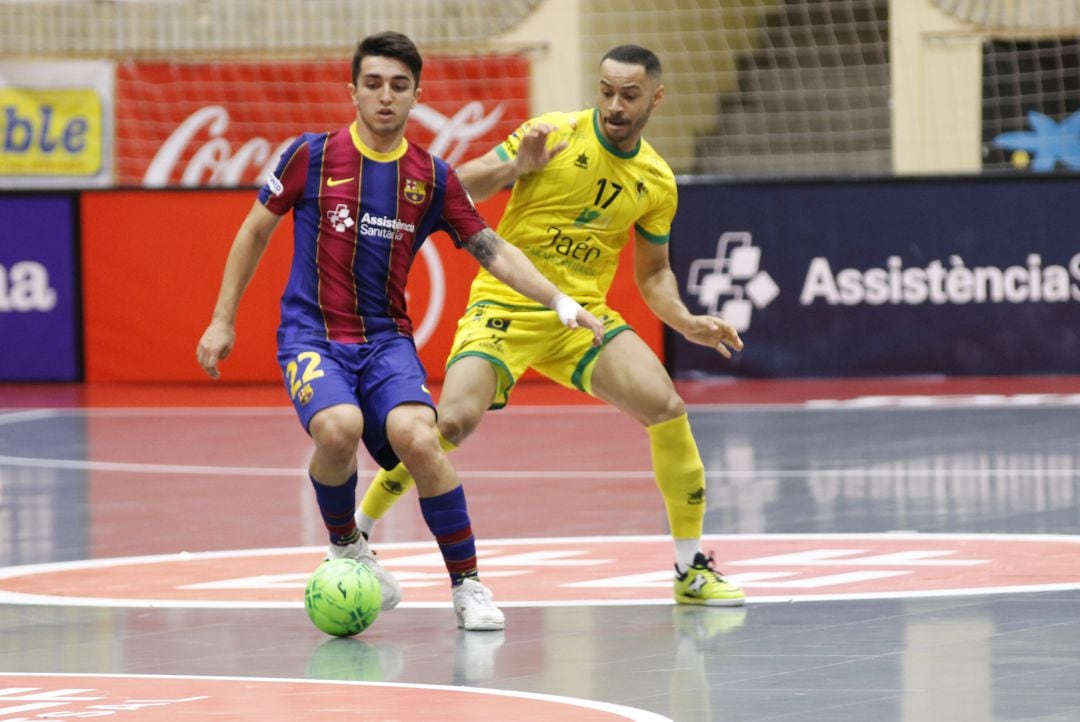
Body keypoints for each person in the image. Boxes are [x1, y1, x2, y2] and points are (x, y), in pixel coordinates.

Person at [195, 31, 605, 632]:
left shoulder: (432, 177)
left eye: (398, 85)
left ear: (416, 94)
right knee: (339, 428)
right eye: (373, 83)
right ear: (354, 90)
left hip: (386, 340)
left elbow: (490, 248)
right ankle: (347, 545)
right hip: (312, 335)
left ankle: (468, 585)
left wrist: (560, 300)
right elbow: (254, 230)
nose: (385, 96)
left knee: (421, 438)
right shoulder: (312, 155)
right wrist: (222, 317)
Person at [356, 45, 746, 606]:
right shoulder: (551, 133)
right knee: (452, 423)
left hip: (581, 318)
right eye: (607, 91)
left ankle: (691, 569)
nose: (614, 104)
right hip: (507, 304)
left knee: (667, 407)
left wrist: (684, 320)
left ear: (655, 98)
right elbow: (455, 190)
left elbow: (655, 272)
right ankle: (358, 536)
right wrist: (518, 167)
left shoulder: (657, 181)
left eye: (629, 95)